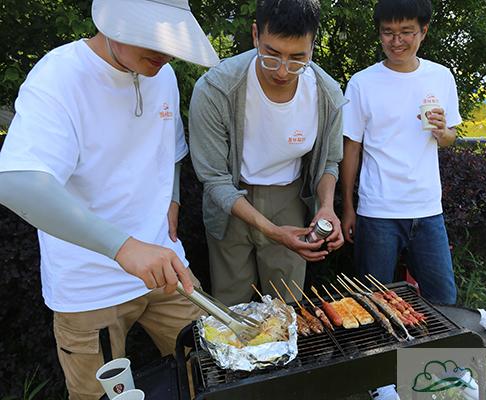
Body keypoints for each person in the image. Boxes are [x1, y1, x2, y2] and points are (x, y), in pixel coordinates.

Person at [0, 0, 219, 398]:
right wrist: (123, 247)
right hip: (90, 286)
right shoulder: (59, 75)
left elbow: (171, 147)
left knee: (211, 373)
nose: (166, 52)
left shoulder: (163, 75)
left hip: (167, 267)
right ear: (112, 19)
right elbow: (16, 182)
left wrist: (172, 197)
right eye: (151, 35)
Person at [189, 0, 346, 305]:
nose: (283, 71)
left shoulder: (326, 94)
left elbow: (329, 160)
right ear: (255, 35)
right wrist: (272, 231)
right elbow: (215, 179)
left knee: (287, 304)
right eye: (272, 55)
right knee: (232, 304)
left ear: (313, 46)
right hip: (231, 203)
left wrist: (326, 207)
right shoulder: (216, 89)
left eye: (298, 58)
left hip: (290, 199)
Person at [340, 0, 459, 304]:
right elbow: (352, 147)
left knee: (443, 298)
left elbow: (450, 138)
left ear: (424, 31)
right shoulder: (362, 83)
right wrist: (348, 207)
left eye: (406, 32)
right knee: (373, 302)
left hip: (427, 208)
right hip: (377, 210)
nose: (396, 41)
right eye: (388, 32)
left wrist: (443, 131)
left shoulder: (441, 77)